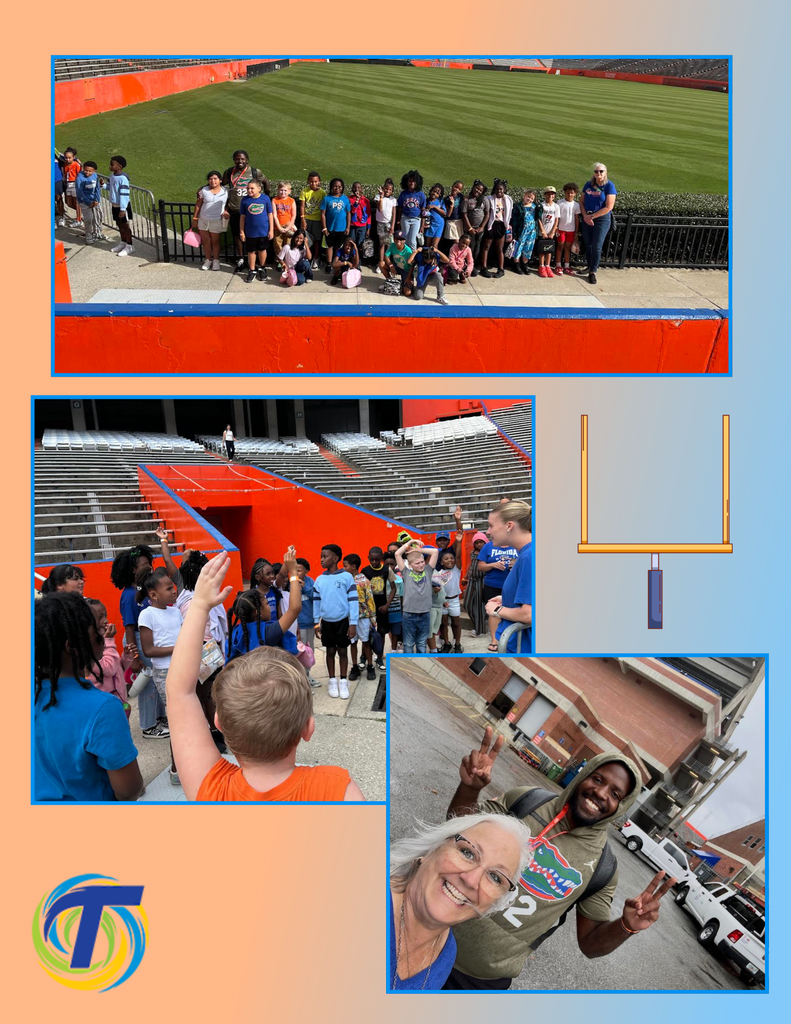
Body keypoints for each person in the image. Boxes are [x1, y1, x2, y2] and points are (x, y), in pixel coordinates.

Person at [444, 733, 674, 989]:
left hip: (478, 980)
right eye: (597, 779)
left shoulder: (603, 868)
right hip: (431, 930)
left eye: (615, 793)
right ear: (581, 776)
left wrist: (626, 926)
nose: (600, 792)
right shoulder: (527, 801)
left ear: (621, 807)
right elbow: (459, 834)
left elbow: (590, 945)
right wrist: (470, 789)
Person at [165, 553, 365, 801]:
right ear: (308, 727)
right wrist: (292, 572)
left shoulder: (211, 788)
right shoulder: (338, 790)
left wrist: (199, 605)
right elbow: (294, 608)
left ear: (220, 722)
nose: (271, 606)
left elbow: (179, 693)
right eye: (267, 605)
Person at [390, 813, 531, 990]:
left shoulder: (446, 955)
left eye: (495, 877)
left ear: (491, 906)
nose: (471, 880)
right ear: (431, 849)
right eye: (468, 852)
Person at [34, 593, 144, 802]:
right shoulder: (103, 708)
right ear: (72, 648)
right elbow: (129, 789)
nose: (103, 636)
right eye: (97, 633)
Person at [110, 533, 178, 738]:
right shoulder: (129, 595)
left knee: (157, 682)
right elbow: (130, 629)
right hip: (137, 640)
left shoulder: (144, 591)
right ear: (132, 570)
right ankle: (148, 726)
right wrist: (136, 659)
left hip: (148, 637)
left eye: (149, 562)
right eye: (143, 564)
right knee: (148, 684)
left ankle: (159, 718)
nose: (148, 566)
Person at [137, 566, 182, 784]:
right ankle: (177, 768)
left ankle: (190, 762)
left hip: (183, 666)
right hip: (165, 672)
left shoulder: (175, 611)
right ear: (153, 595)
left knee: (189, 716)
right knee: (178, 720)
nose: (174, 591)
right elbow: (149, 650)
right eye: (168, 588)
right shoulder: (147, 614)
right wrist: (180, 647)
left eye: (173, 587)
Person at [484, 500, 532, 653]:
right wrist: (507, 599)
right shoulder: (526, 553)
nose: (488, 532)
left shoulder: (529, 556)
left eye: (491, 526)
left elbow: (529, 614)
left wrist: (497, 610)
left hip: (525, 648)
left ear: (509, 526)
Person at [313, 544, 358, 699]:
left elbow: (353, 601)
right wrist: (316, 622)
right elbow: (316, 602)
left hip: (343, 621)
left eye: (325, 556)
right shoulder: (319, 579)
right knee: (330, 651)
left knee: (343, 651)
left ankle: (343, 681)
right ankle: (332, 680)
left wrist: (353, 623)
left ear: (335, 558)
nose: (322, 560)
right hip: (327, 622)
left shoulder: (346, 577)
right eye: (321, 556)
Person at [221, 151, 269, 270]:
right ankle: (242, 258)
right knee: (238, 235)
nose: (240, 161)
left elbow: (266, 182)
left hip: (252, 210)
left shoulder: (254, 172)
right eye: (237, 159)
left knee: (254, 235)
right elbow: (221, 184)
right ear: (234, 160)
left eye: (242, 159)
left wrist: (267, 197)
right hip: (235, 209)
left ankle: (254, 260)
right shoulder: (229, 172)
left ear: (247, 160)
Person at [475, 527, 518, 653]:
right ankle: (494, 639)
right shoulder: (488, 546)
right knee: (493, 612)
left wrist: (516, 564)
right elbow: (480, 567)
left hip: (513, 585)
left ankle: (510, 638)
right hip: (493, 584)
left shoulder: (516, 545)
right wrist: (493, 565)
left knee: (513, 611)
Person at [85, 598, 131, 715]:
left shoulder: (102, 642)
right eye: (99, 617)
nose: (105, 621)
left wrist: (126, 657)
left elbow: (117, 669)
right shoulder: (89, 648)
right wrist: (109, 640)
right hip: (104, 706)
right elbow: (109, 668)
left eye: (106, 615)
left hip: (118, 699)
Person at [394, 539, 439, 654]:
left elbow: (435, 552)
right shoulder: (406, 573)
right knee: (408, 643)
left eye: (422, 561)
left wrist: (419, 550)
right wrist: (410, 542)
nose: (421, 565)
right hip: (409, 614)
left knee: (421, 643)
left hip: (425, 613)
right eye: (417, 563)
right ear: (409, 565)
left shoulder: (428, 570)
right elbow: (397, 554)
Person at [580, 162, 617, 284]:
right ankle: (589, 266)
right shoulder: (588, 185)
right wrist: (585, 216)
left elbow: (608, 207)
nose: (598, 173)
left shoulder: (609, 186)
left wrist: (592, 216)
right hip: (587, 217)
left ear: (605, 173)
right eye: (596, 171)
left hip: (601, 219)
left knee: (597, 246)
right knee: (588, 244)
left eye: (601, 171)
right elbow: (581, 202)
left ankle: (593, 271)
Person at [343, 553, 377, 681]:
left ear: (353, 566)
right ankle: (355, 667)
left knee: (366, 642)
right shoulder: (345, 581)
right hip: (350, 618)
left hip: (363, 617)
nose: (343, 568)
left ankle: (370, 666)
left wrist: (373, 618)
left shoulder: (364, 581)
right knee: (352, 642)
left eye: (345, 566)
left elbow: (370, 599)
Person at [362, 546, 397, 667]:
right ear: (368, 558)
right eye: (372, 560)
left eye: (377, 560)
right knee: (367, 633)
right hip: (369, 609)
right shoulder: (365, 571)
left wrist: (387, 605)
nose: (374, 562)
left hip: (382, 607)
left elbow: (393, 588)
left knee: (381, 632)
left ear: (382, 558)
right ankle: (365, 657)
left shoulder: (387, 570)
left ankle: (379, 657)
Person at [437, 508, 464, 652]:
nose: (449, 560)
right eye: (439, 540)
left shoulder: (455, 565)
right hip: (442, 600)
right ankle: (446, 643)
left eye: (444, 540)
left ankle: (457, 643)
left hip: (453, 599)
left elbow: (459, 539)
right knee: (443, 624)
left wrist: (458, 520)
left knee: (456, 622)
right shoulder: (438, 566)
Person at [192, 170, 229, 271]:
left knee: (215, 241)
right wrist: (195, 218)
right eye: (210, 179)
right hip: (203, 219)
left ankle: (216, 260)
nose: (213, 181)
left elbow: (229, 204)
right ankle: (208, 260)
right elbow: (198, 204)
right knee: (206, 241)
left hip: (216, 220)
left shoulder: (226, 191)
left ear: (220, 180)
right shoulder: (203, 190)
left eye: (215, 179)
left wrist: (226, 211)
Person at [239, 179, 274, 283]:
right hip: (250, 232)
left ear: (259, 189)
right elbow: (242, 216)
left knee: (262, 250)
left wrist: (271, 230)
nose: (249, 190)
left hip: (263, 231)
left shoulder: (265, 199)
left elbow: (270, 214)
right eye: (248, 188)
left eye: (252, 188)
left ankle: (262, 268)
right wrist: (242, 231)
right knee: (251, 251)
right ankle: (252, 270)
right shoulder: (245, 200)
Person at [480, 179, 513, 278]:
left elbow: (509, 213)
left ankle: (501, 269)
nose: (499, 191)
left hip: (501, 225)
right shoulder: (489, 198)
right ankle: (484, 268)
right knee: (486, 247)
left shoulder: (508, 199)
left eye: (501, 189)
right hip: (491, 224)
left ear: (504, 190)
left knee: (499, 248)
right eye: (497, 189)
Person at [295, 557, 320, 687]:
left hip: (310, 623)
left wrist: (305, 588)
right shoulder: (291, 584)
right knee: (300, 652)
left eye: (299, 570)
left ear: (307, 571)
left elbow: (316, 597)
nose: (296, 573)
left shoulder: (311, 582)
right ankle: (301, 680)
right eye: (294, 570)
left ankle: (307, 676)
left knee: (309, 652)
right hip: (299, 626)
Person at [320, 178, 351, 271]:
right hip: (330, 227)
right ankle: (329, 263)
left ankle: (337, 262)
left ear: (342, 188)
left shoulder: (345, 199)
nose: (337, 188)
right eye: (335, 186)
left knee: (339, 246)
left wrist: (348, 227)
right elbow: (322, 214)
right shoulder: (327, 199)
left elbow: (348, 213)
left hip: (341, 228)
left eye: (339, 187)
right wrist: (324, 227)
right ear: (331, 187)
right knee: (329, 246)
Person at [298, 171, 326, 271]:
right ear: (308, 181)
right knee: (305, 240)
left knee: (317, 240)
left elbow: (324, 208)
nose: (313, 184)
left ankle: (316, 258)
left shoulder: (322, 193)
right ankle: (306, 257)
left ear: (319, 182)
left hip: (318, 220)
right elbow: (302, 206)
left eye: (315, 181)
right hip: (307, 219)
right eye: (311, 182)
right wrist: (302, 219)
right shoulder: (304, 191)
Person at [461, 532, 488, 636]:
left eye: (481, 542)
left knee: (479, 605)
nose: (479, 545)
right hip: (472, 580)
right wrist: (466, 576)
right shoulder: (473, 553)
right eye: (477, 543)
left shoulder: (488, 553)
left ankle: (479, 630)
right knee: (467, 604)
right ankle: (479, 623)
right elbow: (471, 565)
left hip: (482, 581)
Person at [106, 155, 133, 256]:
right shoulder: (112, 176)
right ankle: (123, 242)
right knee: (119, 225)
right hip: (115, 205)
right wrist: (103, 185)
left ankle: (130, 246)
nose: (110, 166)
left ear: (119, 167)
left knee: (125, 226)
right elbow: (111, 188)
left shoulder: (123, 179)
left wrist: (123, 209)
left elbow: (124, 194)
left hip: (122, 207)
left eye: (112, 164)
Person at [75, 161, 105, 244]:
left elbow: (97, 189)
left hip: (94, 201)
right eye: (86, 170)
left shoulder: (95, 176)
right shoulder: (80, 178)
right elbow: (79, 192)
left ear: (94, 171)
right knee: (88, 219)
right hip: (84, 202)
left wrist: (97, 200)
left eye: (90, 171)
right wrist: (88, 202)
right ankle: (88, 234)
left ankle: (97, 232)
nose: (87, 172)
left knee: (98, 216)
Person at [461, 180, 488, 275]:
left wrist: (481, 227)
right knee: (469, 247)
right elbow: (464, 214)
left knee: (477, 247)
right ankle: (466, 265)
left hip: (480, 229)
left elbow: (487, 214)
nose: (478, 191)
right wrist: (470, 228)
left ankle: (473, 265)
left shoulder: (484, 200)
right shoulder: (467, 199)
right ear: (473, 187)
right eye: (477, 188)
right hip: (469, 229)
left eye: (480, 190)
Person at [396, 170, 426, 249]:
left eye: (414, 181)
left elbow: (423, 211)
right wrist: (398, 220)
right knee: (405, 239)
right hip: (405, 218)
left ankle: (412, 259)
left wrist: (422, 226)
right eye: (410, 181)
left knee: (412, 241)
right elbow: (400, 208)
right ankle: (405, 257)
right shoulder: (403, 194)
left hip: (416, 219)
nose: (412, 183)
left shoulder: (420, 194)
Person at [510, 189, 538, 275]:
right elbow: (514, 220)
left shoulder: (535, 206)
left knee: (528, 247)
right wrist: (514, 233)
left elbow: (538, 217)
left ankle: (524, 264)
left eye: (532, 198)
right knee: (519, 247)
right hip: (521, 230)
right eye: (528, 197)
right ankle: (516, 264)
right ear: (524, 195)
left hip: (532, 230)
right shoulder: (518, 206)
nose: (529, 199)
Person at [555, 182, 581, 276]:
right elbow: (557, 217)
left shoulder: (576, 205)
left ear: (575, 194)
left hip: (571, 230)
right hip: (561, 229)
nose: (570, 194)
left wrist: (576, 232)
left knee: (567, 248)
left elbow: (577, 219)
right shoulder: (560, 203)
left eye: (572, 193)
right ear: (565, 192)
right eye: (568, 192)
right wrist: (556, 228)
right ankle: (558, 265)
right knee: (560, 247)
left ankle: (566, 266)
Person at [373, 178, 397, 271]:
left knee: (389, 244)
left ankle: (388, 263)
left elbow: (394, 214)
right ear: (383, 188)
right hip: (380, 223)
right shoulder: (378, 197)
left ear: (392, 191)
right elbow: (380, 209)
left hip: (389, 224)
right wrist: (381, 197)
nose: (388, 191)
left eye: (390, 189)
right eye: (386, 188)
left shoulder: (393, 200)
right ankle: (381, 263)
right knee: (382, 244)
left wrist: (393, 226)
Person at [271, 181, 297, 261]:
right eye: (281, 190)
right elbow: (274, 215)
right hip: (277, 226)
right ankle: (279, 260)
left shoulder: (291, 201)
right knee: (277, 243)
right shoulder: (275, 200)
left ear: (289, 191)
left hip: (288, 225)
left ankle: (287, 259)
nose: (283, 192)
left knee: (288, 243)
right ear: (278, 190)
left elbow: (293, 215)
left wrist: (289, 226)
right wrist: (279, 227)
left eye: (285, 190)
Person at [383, 554, 403, 651]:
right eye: (387, 564)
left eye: (392, 564)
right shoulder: (380, 579)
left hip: (396, 610)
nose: (390, 566)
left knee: (395, 632)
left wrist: (402, 611)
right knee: (382, 632)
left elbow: (402, 596)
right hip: (383, 610)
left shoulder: (399, 580)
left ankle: (393, 650)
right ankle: (379, 653)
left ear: (395, 564)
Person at [442, 180, 465, 252]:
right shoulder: (446, 199)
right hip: (451, 221)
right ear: (452, 186)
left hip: (459, 221)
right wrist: (451, 205)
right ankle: (457, 257)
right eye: (455, 187)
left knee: (459, 241)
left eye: (459, 189)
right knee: (456, 241)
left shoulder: (460, 196)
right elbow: (448, 214)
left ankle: (458, 257)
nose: (456, 189)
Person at [61, 147, 82, 223]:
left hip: (75, 184)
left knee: (77, 203)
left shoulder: (76, 164)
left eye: (69, 158)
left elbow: (80, 174)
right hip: (68, 185)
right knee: (69, 203)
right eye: (66, 158)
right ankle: (82, 213)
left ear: (73, 157)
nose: (67, 159)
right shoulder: (65, 165)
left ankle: (78, 220)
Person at [349, 182, 371, 252]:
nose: (357, 189)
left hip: (362, 226)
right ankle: (353, 258)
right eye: (355, 187)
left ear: (361, 189)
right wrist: (356, 202)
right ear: (352, 189)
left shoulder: (366, 200)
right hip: (352, 225)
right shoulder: (349, 199)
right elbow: (352, 211)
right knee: (352, 243)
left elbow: (368, 214)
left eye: (358, 187)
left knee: (360, 243)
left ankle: (358, 259)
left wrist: (368, 228)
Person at [424, 183, 447, 249]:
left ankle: (435, 259)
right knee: (428, 245)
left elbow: (444, 213)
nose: (435, 193)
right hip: (430, 225)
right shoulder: (427, 201)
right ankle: (427, 258)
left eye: (437, 193)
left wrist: (434, 207)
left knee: (434, 246)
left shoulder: (440, 201)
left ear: (440, 195)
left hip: (439, 225)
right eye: (434, 191)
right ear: (431, 191)